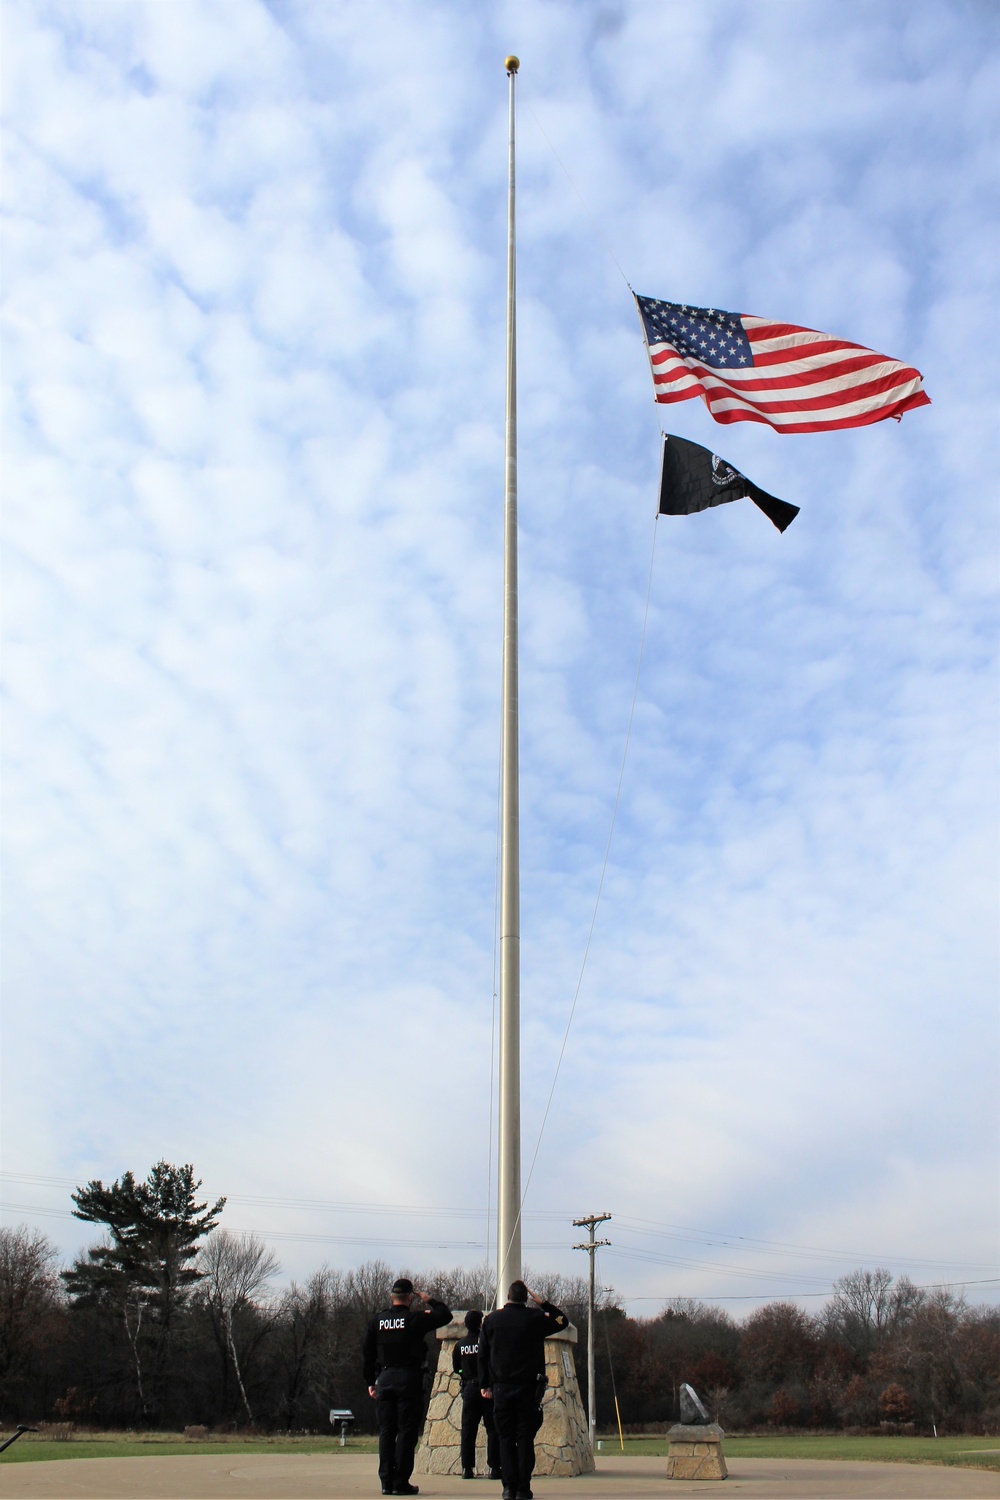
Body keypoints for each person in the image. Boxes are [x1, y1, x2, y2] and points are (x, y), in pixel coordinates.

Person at [478, 1281, 568, 1500]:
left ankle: (508, 1487)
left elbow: (482, 1354)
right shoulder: (536, 1318)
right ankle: (523, 1487)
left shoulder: (492, 1320)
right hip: (528, 1388)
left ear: (508, 1296)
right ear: (526, 1298)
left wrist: (484, 1385)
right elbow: (562, 1321)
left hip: (502, 1388)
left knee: (505, 1438)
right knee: (525, 1437)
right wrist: (544, 1303)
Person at [363, 1276, 453, 1496]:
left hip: (384, 1379)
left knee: (387, 1431)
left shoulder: (377, 1321)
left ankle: (386, 1481)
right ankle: (400, 1481)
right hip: (408, 1380)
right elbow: (445, 1315)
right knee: (406, 1432)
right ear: (410, 1298)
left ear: (391, 1297)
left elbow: (367, 1354)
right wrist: (429, 1299)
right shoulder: (414, 1319)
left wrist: (370, 1381)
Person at [451, 1309, 500, 1479]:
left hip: (470, 1388)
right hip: (487, 1389)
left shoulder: (460, 1345)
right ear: (480, 1323)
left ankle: (467, 1469)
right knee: (493, 1430)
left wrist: (465, 1372)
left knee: (468, 1430)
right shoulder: (486, 1343)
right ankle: (494, 1468)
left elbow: (456, 1367)